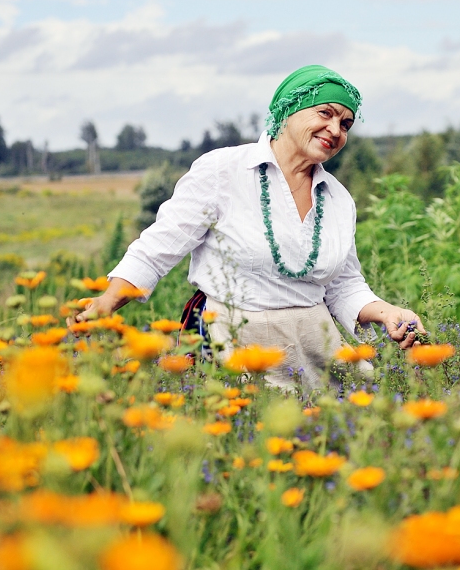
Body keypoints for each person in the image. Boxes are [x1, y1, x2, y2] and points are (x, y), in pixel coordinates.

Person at [75, 65, 426, 389]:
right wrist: (107, 302)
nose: (335, 130)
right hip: (232, 338)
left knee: (332, 439)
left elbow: (344, 286)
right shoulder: (223, 171)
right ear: (288, 110)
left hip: (314, 347)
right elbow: (156, 251)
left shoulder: (338, 199)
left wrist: (389, 313)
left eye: (346, 124)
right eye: (325, 113)